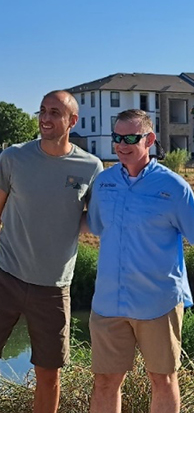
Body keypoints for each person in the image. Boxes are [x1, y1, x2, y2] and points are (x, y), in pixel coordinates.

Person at [86, 109, 194, 413]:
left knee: (163, 379)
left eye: (131, 137)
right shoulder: (103, 184)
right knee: (105, 381)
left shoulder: (173, 186)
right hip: (108, 303)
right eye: (117, 137)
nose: (122, 144)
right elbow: (90, 226)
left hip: (158, 302)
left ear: (150, 140)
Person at [0, 90, 102, 412]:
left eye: (54, 112)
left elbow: (93, 221)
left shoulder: (91, 167)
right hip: (6, 276)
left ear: (72, 120)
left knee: (49, 375)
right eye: (42, 111)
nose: (45, 118)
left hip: (55, 287)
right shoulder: (13, 157)